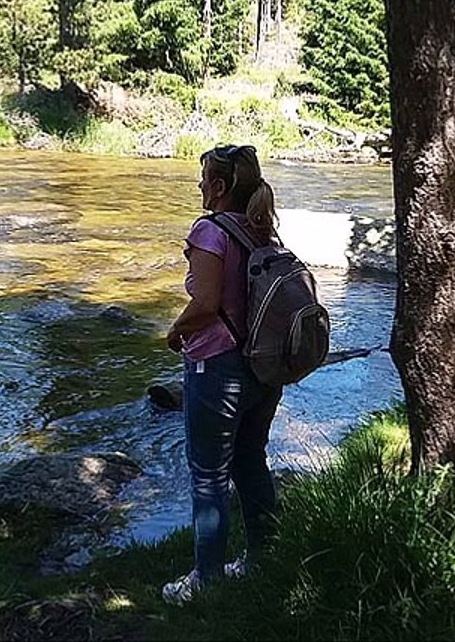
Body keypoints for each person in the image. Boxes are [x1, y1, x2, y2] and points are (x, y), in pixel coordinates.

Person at [162, 144, 284, 605]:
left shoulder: (209, 231)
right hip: (264, 367)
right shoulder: (262, 230)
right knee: (251, 460)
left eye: (203, 178)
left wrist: (175, 331)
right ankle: (264, 556)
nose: (198, 186)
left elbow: (207, 304)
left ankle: (206, 580)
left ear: (218, 186)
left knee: (208, 475)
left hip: (217, 367)